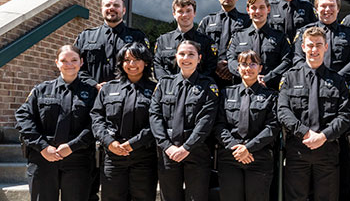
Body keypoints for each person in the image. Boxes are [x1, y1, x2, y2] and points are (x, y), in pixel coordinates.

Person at [15, 45, 98, 201]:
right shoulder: (41, 90)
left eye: (74, 60)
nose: (69, 64)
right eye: (64, 60)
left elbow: (95, 124)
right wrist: (43, 147)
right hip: (43, 159)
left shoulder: (93, 93)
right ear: (57, 63)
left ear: (81, 62)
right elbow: (23, 118)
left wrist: (72, 146)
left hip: (78, 159)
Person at [278, 26, 350, 201]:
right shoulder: (290, 77)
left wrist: (323, 136)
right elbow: (283, 110)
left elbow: (345, 114)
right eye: (310, 45)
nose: (314, 49)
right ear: (303, 47)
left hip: (328, 149)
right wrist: (305, 132)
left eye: (319, 45)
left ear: (326, 47)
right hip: (297, 149)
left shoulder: (338, 80)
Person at [149, 41, 219, 200]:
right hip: (168, 152)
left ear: (199, 58)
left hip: (196, 151)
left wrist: (187, 147)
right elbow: (154, 115)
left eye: (191, 54)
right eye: (182, 54)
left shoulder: (208, 86)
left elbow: (206, 121)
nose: (186, 58)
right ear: (176, 57)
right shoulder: (164, 83)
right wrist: (167, 146)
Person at [90, 42, 157, 201]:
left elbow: (157, 121)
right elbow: (96, 118)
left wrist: (134, 143)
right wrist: (109, 142)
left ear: (146, 62)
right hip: (113, 157)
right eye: (127, 60)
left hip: (144, 157)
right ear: (121, 63)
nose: (131, 64)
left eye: (137, 59)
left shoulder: (156, 89)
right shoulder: (108, 88)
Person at [215, 50, 280, 201]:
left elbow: (272, 127)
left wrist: (248, 148)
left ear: (260, 68)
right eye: (244, 64)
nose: (248, 68)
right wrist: (236, 147)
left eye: (253, 64)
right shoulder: (226, 93)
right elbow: (219, 125)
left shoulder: (271, 96)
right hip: (230, 157)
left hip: (259, 158)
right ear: (237, 68)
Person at [75, 0, 148, 90]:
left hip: (126, 94)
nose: (111, 8)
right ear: (101, 10)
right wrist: (94, 85)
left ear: (124, 10)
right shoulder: (85, 36)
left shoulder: (137, 37)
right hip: (91, 95)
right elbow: (75, 66)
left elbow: (145, 67)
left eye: (116, 5)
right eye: (107, 5)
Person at [227, 0, 293, 89]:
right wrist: (248, 75)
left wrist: (267, 78)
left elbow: (287, 61)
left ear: (268, 9)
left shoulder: (280, 37)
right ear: (248, 10)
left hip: (271, 90)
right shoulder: (238, 36)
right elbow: (231, 59)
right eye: (253, 8)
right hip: (242, 90)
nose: (257, 11)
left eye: (262, 7)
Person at [293, 0, 350, 78]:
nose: (327, 9)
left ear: (338, 9)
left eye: (332, 6)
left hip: (341, 84)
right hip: (310, 81)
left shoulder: (349, 33)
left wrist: (338, 77)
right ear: (316, 9)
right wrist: (312, 75)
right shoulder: (304, 32)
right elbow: (298, 58)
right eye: (323, 6)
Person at [198, 0, 251, 88]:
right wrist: (215, 65)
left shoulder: (247, 21)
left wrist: (232, 66)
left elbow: (252, 46)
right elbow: (199, 47)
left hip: (238, 77)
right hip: (210, 76)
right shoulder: (207, 21)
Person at [154, 0, 217, 80]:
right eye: (180, 11)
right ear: (174, 14)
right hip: (169, 91)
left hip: (198, 90)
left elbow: (211, 68)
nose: (185, 15)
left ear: (194, 13)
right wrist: (169, 84)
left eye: (188, 11)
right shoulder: (163, 40)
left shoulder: (207, 42)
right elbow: (157, 66)